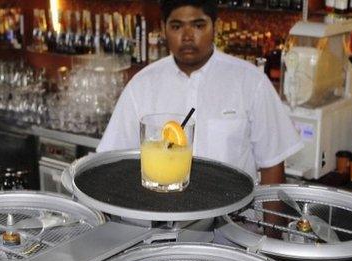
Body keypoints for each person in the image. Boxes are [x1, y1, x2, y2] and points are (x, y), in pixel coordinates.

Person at [97, 0, 303, 185]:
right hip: (159, 218)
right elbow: (111, 162)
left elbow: (273, 164)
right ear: (163, 29)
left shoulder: (250, 82)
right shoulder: (142, 85)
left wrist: (269, 228)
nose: (187, 37)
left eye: (198, 25)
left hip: (232, 220)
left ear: (216, 26)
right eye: (176, 26)